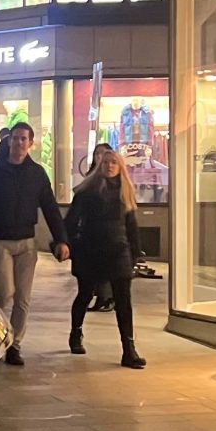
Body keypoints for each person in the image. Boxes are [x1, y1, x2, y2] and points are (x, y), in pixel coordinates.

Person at [0, 122, 70, 367]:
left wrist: (62, 239)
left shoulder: (36, 174)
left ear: (31, 143)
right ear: (9, 141)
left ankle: (15, 345)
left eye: (24, 139)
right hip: (0, 241)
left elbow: (50, 208)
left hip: (26, 242)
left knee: (23, 298)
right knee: (4, 294)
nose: (20, 143)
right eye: (16, 138)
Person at [65, 148, 146, 369]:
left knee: (124, 301)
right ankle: (76, 332)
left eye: (114, 163)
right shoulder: (87, 192)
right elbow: (71, 221)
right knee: (85, 294)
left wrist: (136, 253)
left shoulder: (125, 192)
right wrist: (66, 245)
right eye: (106, 162)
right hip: (91, 250)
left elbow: (131, 225)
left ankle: (128, 349)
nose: (109, 166)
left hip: (118, 251)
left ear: (120, 167)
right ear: (99, 166)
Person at [86, 143, 116, 312]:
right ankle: (100, 297)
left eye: (104, 154)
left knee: (107, 268)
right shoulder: (91, 177)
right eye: (97, 154)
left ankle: (108, 298)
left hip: (110, 234)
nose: (100, 157)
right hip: (92, 232)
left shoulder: (115, 180)